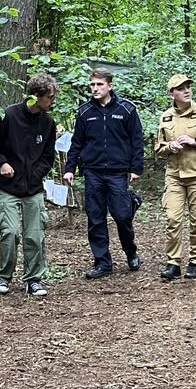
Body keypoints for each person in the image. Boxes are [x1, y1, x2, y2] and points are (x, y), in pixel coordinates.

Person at [0, 73, 59, 297]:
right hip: (7, 187)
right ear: (35, 97)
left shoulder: (47, 123)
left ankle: (34, 279)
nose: (52, 102)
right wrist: (2, 163)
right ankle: (4, 276)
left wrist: (35, 174)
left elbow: (47, 157)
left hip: (33, 189)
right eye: (50, 97)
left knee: (35, 235)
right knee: (10, 233)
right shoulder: (8, 116)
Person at [62, 66, 144, 279]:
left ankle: (131, 252)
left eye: (99, 84)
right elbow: (76, 143)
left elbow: (136, 140)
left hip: (118, 172)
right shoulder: (85, 112)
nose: (95, 88)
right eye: (92, 84)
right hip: (93, 173)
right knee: (96, 218)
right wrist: (69, 169)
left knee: (122, 215)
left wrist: (136, 167)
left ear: (110, 85)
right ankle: (102, 262)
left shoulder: (127, 110)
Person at [154, 73, 196, 281]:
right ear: (172, 94)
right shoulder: (166, 117)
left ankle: (194, 261)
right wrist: (169, 147)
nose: (186, 91)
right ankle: (173, 263)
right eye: (181, 88)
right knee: (173, 219)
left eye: (188, 87)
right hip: (174, 176)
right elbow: (158, 148)